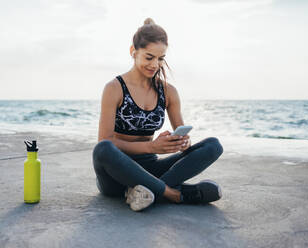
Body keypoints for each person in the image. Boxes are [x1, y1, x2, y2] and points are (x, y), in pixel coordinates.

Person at [92, 18, 223, 211]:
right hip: (116, 174)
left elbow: (185, 144)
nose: (155, 64)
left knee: (213, 146)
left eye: (160, 59)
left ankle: (146, 192)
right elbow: (106, 141)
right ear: (133, 52)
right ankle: (175, 194)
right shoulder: (114, 88)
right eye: (149, 57)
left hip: (151, 169)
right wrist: (152, 146)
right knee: (102, 149)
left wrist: (178, 142)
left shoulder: (168, 92)